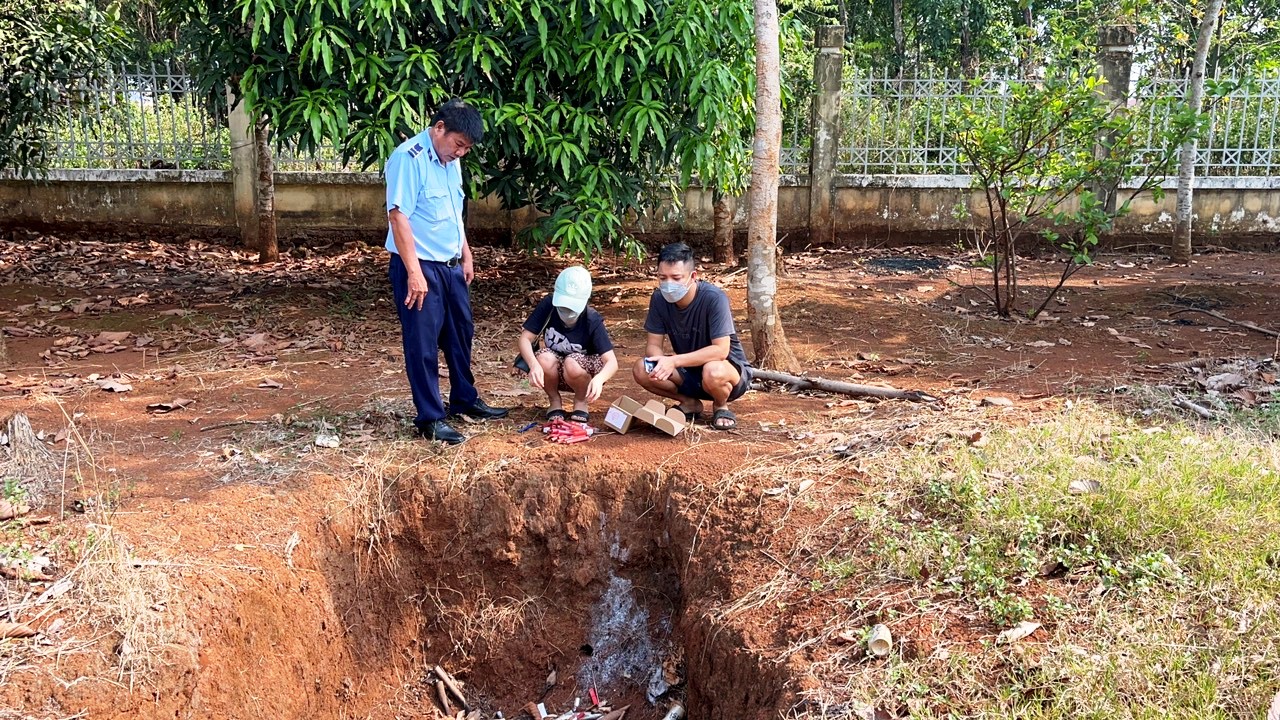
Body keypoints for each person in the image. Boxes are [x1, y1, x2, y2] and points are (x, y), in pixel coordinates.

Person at [385, 98, 508, 445]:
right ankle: (430, 418)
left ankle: (464, 400)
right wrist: (413, 272)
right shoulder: (408, 160)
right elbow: (398, 217)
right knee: (423, 344)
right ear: (439, 128)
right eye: (459, 144)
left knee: (460, 335)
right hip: (420, 267)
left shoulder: (450, 160)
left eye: (467, 148)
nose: (461, 153)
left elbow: (454, 211)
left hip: (451, 266)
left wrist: (466, 253)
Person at [633, 242, 752, 430]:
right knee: (642, 368)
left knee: (713, 370)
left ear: (693, 276)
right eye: (662, 278)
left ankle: (721, 405)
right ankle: (689, 403)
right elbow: (653, 345)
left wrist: (674, 361)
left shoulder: (714, 298)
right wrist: (661, 362)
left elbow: (721, 350)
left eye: (676, 278)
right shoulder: (658, 299)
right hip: (688, 372)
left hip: (726, 372)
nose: (668, 284)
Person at [516, 266, 618, 423]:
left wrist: (599, 379)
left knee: (572, 362)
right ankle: (554, 401)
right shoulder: (548, 305)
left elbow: (611, 362)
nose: (567, 311)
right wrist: (533, 365)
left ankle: (580, 401)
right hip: (554, 369)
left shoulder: (592, 319)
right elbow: (525, 339)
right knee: (543, 359)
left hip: (582, 372)